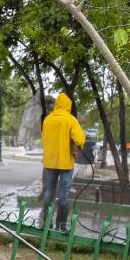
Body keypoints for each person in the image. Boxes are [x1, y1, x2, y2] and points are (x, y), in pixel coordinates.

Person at [41, 92, 85, 231]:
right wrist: (77, 145)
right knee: (63, 194)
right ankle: (61, 225)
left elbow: (44, 139)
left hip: (50, 162)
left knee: (49, 192)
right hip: (65, 162)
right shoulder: (70, 119)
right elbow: (79, 139)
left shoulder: (47, 119)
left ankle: (47, 222)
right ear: (68, 105)